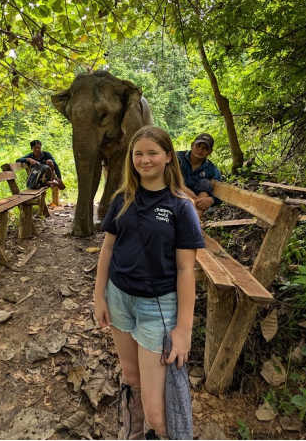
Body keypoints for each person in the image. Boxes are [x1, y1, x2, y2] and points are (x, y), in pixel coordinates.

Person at [93, 125, 203, 439]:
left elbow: (185, 271)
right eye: (138, 153)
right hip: (119, 298)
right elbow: (108, 248)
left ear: (168, 156)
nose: (144, 160)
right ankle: (133, 432)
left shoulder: (181, 207)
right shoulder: (123, 198)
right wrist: (99, 295)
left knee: (157, 411)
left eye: (152, 153)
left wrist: (183, 329)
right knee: (130, 376)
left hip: (158, 308)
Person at [177, 133, 223, 217]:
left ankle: (194, 219)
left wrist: (211, 200)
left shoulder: (211, 169)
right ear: (192, 145)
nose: (200, 150)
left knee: (205, 183)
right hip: (175, 194)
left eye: (205, 148)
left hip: (197, 203)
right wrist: (189, 195)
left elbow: (220, 191)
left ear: (210, 152)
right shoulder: (178, 158)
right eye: (198, 146)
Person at [16, 140, 65, 207]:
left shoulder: (46, 154)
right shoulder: (31, 155)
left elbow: (55, 166)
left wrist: (59, 178)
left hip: (49, 176)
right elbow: (18, 160)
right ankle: (52, 183)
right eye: (35, 148)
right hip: (37, 180)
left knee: (50, 162)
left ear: (41, 147)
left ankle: (54, 181)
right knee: (42, 175)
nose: (37, 149)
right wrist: (28, 159)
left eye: (39, 148)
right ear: (32, 148)